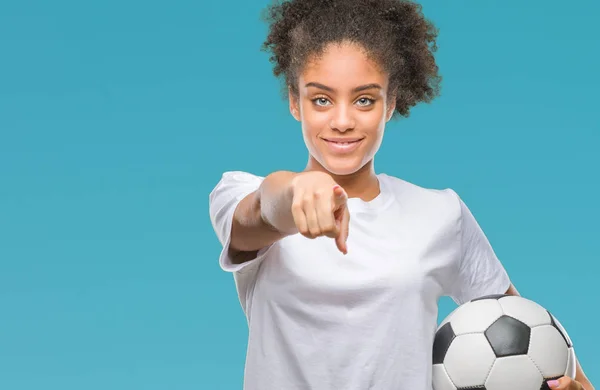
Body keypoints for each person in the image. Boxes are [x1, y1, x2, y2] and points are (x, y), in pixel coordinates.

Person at [208, 0, 595, 389]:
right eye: (321, 99)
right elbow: (260, 211)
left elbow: (521, 324)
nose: (342, 121)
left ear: (390, 103)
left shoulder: (441, 213)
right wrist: (296, 190)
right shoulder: (239, 191)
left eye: (364, 99)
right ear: (295, 101)